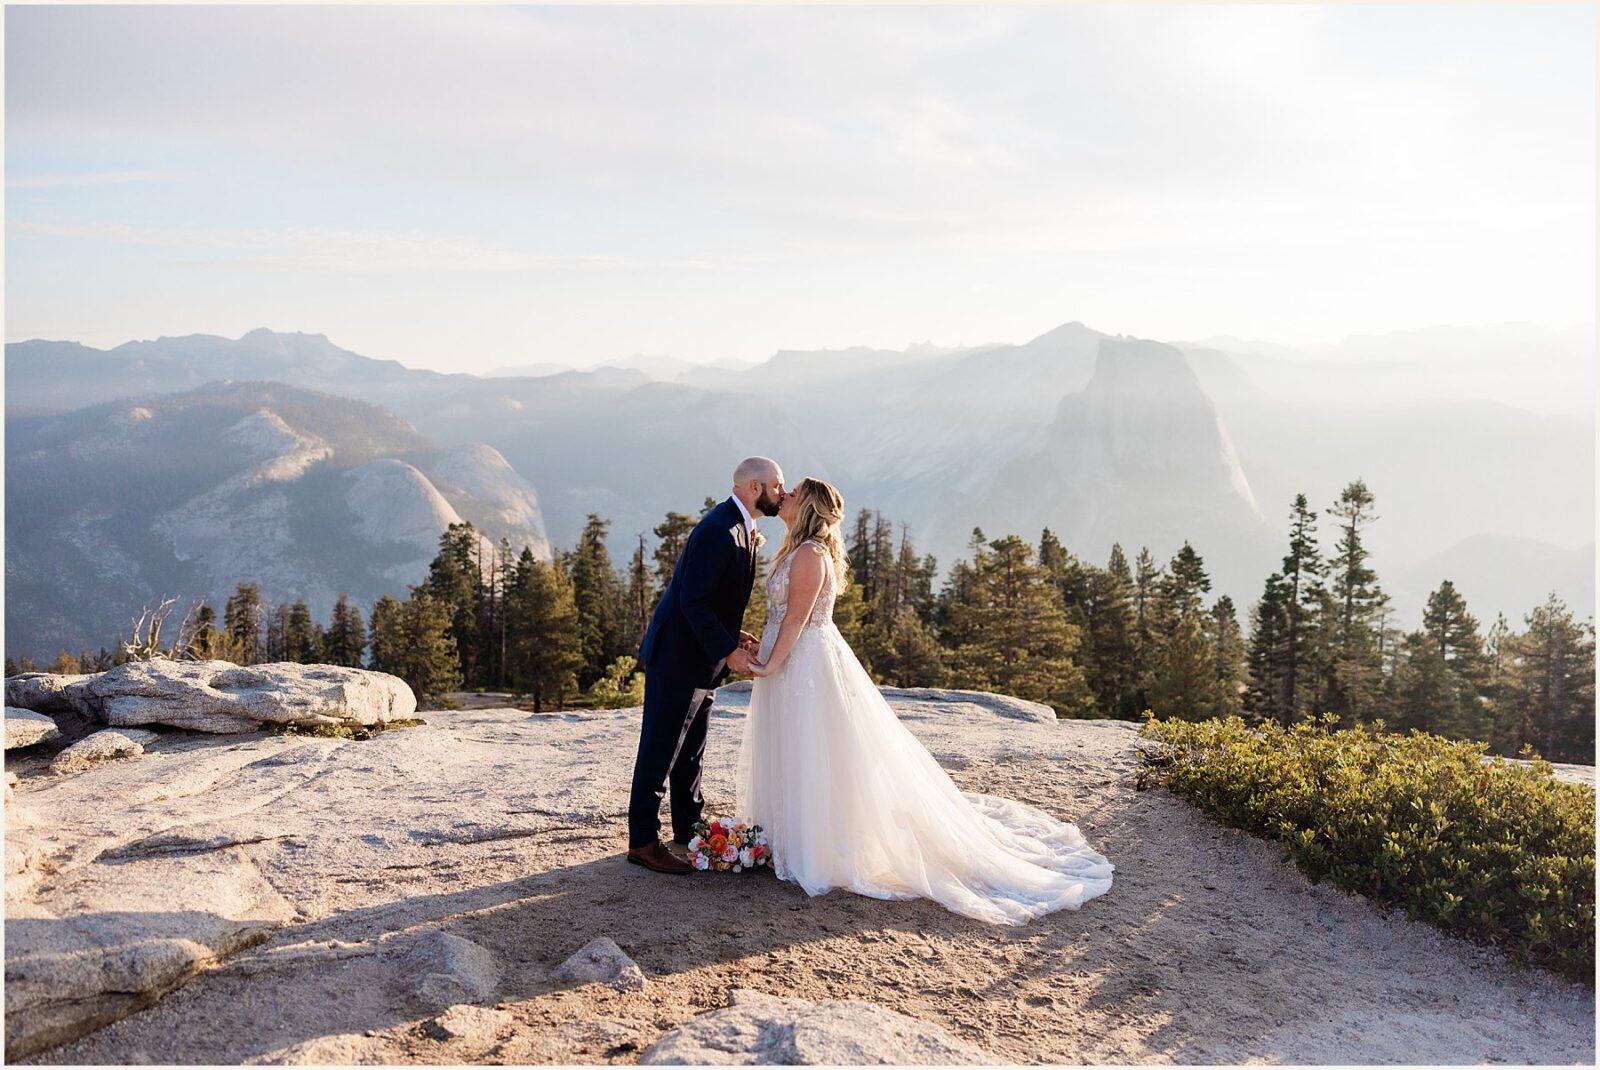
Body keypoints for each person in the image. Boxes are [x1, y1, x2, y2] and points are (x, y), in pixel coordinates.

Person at [738, 476, 1114, 923]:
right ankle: (789, 835)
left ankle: (820, 846)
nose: (786, 495)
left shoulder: (809, 555)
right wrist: (764, 650)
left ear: (809, 508)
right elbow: (783, 618)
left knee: (814, 749)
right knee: (796, 746)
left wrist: (767, 664)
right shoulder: (796, 550)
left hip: (806, 664)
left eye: (795, 492)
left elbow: (798, 620)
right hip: (793, 661)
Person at [625, 456, 785, 874]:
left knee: (691, 749)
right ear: (754, 488)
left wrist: (733, 637)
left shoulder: (738, 526)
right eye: (776, 486)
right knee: (661, 748)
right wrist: (729, 652)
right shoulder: (720, 529)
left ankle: (687, 827)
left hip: (700, 656)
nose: (781, 493)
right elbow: (692, 601)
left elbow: (713, 599)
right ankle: (642, 842)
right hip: (679, 656)